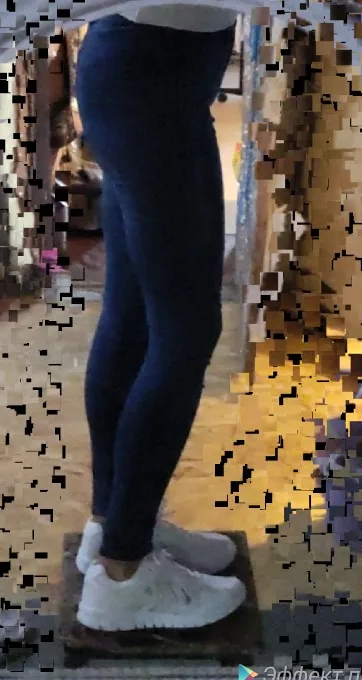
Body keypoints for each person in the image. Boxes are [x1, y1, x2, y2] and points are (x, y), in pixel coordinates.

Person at [74, 5, 247, 632]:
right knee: (185, 331)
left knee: (134, 316)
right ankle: (123, 572)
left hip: (140, 71)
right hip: (151, 79)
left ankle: (118, 525)